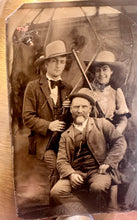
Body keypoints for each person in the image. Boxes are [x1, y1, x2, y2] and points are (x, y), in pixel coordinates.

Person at [50, 88, 127, 214]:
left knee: (98, 187)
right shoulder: (65, 135)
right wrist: (71, 174)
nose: (80, 111)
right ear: (70, 110)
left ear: (90, 109)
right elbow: (62, 160)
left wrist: (108, 163)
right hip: (76, 172)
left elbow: (120, 142)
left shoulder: (102, 124)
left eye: (84, 107)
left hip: (98, 171)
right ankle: (83, 213)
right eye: (76, 107)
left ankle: (98, 214)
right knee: (56, 192)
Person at [22, 40, 72, 188]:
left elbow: (74, 119)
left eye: (62, 62)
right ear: (46, 64)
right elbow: (28, 117)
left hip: (65, 142)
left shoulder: (68, 88)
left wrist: (71, 110)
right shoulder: (33, 87)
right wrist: (49, 125)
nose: (58, 66)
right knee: (57, 169)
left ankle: (61, 205)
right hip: (44, 142)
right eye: (54, 61)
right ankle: (56, 206)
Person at [84, 50, 131, 134]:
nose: (101, 74)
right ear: (94, 72)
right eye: (98, 70)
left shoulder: (116, 92)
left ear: (111, 71)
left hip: (109, 133)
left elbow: (123, 120)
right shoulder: (87, 90)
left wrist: (114, 134)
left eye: (105, 69)